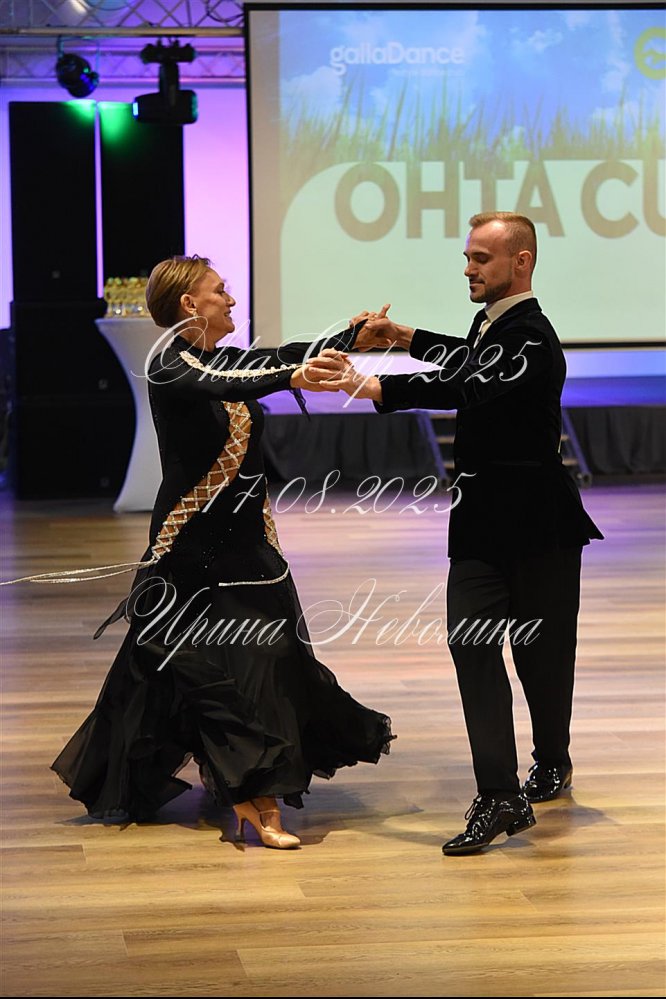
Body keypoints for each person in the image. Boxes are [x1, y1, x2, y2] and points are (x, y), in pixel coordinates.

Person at [48, 254, 394, 849]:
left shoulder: (219, 357)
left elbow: (275, 358)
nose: (232, 299)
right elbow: (234, 383)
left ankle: (251, 786)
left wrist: (349, 338)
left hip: (250, 548)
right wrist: (293, 377)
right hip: (190, 554)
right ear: (190, 304)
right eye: (220, 290)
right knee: (207, 673)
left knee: (271, 662)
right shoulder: (170, 363)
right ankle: (251, 796)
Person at [305, 212, 604, 855]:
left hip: (539, 525)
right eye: (467, 257)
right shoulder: (494, 325)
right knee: (471, 646)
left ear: (521, 262)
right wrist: (401, 335)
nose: (468, 268)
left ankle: (552, 760)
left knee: (542, 657)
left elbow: (467, 382)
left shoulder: (533, 337)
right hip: (478, 523)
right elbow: (469, 358)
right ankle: (498, 794)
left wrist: (374, 384)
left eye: (480, 259)